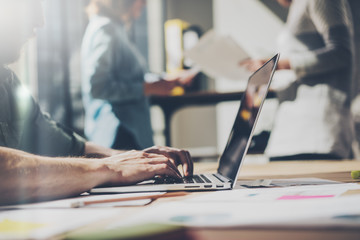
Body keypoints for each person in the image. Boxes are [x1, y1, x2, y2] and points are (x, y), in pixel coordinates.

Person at [0, 0, 193, 206]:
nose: (40, 22)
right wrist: (109, 168)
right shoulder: (105, 29)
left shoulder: (9, 82)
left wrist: (139, 158)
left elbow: (70, 145)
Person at [241, 0, 355, 160]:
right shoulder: (297, 6)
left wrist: (277, 65)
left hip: (316, 133)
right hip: (289, 133)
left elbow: (341, 53)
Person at [81, 0, 195, 150]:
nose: (145, 4)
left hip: (126, 131)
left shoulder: (115, 29)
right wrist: (147, 88)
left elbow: (129, 77)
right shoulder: (105, 30)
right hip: (119, 133)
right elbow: (98, 87)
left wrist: (161, 82)